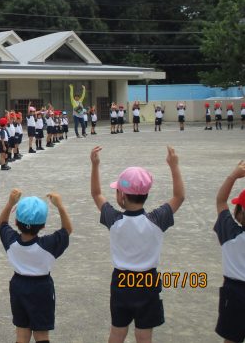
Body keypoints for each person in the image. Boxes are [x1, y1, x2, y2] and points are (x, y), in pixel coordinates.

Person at [89, 145, 185, 343]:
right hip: (147, 281)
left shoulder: (113, 219)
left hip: (121, 281)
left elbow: (97, 194)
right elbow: (179, 197)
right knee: (143, 335)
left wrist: (95, 165)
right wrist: (174, 166)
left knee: (117, 332)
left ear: (121, 196)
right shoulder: (156, 220)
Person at [0, 189, 72, 343]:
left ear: (17, 222)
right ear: (43, 225)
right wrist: (60, 207)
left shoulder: (11, 241)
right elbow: (67, 230)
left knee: (22, 334)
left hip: (18, 285)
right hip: (41, 288)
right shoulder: (48, 245)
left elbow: (2, 223)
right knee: (41, 334)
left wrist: (10, 203)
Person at [213, 160, 245, 343]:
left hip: (234, 294)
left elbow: (221, 201)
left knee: (231, 340)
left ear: (240, 212)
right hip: (234, 291)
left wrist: (233, 176)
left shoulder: (230, 234)